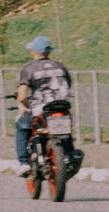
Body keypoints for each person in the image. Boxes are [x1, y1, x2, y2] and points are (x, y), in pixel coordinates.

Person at [14, 35, 74, 165]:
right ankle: (69, 154)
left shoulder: (29, 68)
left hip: (40, 110)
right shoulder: (60, 66)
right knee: (65, 129)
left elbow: (22, 95)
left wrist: (25, 107)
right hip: (62, 107)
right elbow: (68, 84)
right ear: (49, 51)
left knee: (22, 124)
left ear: (34, 51)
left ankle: (24, 162)